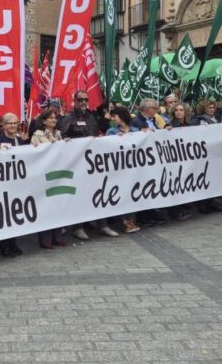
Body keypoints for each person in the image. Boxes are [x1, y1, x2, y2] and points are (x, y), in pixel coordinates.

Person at [59, 91, 119, 240]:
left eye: (86, 99)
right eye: (80, 100)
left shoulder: (91, 117)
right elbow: (64, 137)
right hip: (77, 163)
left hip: (93, 162)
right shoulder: (68, 118)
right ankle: (78, 227)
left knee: (99, 192)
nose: (84, 102)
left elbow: (96, 133)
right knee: (80, 194)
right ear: (75, 101)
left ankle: (103, 225)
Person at [0, 112, 29, 256]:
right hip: (2, 183)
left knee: (15, 214)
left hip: (16, 183)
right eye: (10, 123)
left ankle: (13, 244)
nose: (13, 126)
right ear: (3, 125)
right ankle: (4, 247)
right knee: (4, 216)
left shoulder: (19, 140)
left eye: (15, 123)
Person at [29, 110, 69, 247]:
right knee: (46, 207)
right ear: (44, 121)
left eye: (55, 118)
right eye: (50, 118)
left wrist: (66, 144)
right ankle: (45, 239)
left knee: (57, 206)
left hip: (57, 174)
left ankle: (57, 236)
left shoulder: (58, 134)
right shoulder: (38, 135)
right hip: (45, 175)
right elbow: (34, 153)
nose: (54, 120)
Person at [105, 107, 141, 233]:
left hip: (132, 168)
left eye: (115, 116)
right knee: (122, 193)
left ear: (122, 116)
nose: (113, 119)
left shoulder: (135, 130)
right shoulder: (111, 132)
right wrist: (116, 138)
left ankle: (131, 220)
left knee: (133, 193)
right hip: (119, 169)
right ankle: (124, 221)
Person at [189, 100, 222, 214]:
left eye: (213, 107)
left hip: (214, 153)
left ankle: (211, 202)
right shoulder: (198, 120)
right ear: (203, 109)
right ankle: (202, 205)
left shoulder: (215, 119)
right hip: (203, 154)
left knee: (212, 179)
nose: (211, 109)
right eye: (209, 107)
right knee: (203, 178)